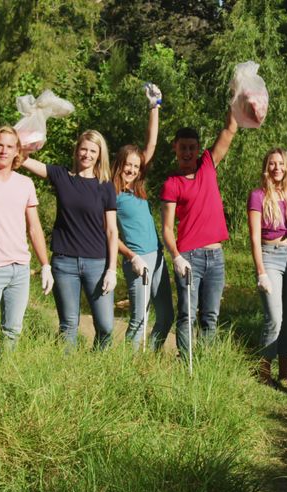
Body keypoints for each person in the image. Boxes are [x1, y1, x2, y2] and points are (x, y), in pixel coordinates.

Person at [22, 130, 118, 349]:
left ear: (100, 154)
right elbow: (23, 160)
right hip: (64, 263)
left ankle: (100, 368)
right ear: (76, 151)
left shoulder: (106, 186)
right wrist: (26, 137)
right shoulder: (61, 176)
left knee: (106, 326)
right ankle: (67, 375)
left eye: (93, 150)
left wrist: (112, 269)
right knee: (69, 325)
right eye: (83, 149)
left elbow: (112, 230)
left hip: (97, 263)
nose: (87, 154)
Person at [0, 126, 53, 363]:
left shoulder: (25, 183)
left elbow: (34, 228)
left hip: (20, 270)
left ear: (18, 151)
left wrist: (45, 265)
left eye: (9, 146)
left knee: (12, 332)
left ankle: (5, 377)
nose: (3, 150)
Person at [160, 112, 238, 357]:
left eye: (191, 148)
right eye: (183, 147)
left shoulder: (207, 164)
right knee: (187, 314)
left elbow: (229, 130)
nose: (187, 152)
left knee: (210, 316)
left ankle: (204, 363)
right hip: (189, 257)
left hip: (216, 256)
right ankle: (187, 362)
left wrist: (238, 94)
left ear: (198, 149)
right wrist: (176, 256)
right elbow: (167, 227)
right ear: (175, 147)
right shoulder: (172, 183)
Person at [114, 83, 174, 351]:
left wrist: (154, 107)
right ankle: (130, 368)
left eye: (136, 166)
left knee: (166, 316)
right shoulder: (109, 192)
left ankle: (149, 357)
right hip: (137, 259)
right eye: (127, 165)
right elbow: (109, 234)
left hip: (157, 256)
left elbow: (151, 143)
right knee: (139, 318)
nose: (131, 169)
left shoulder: (138, 187)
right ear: (119, 164)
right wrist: (131, 257)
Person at [248, 148, 287, 389]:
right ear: (266, 167)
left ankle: (284, 373)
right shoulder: (258, 195)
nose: (277, 168)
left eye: (281, 164)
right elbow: (253, 237)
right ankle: (263, 372)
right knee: (275, 318)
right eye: (272, 163)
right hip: (270, 257)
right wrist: (260, 271)